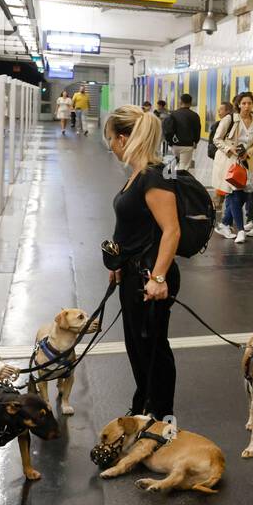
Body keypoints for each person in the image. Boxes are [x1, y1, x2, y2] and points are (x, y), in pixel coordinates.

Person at [104, 106, 182, 421]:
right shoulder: (138, 173)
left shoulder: (153, 175)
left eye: (111, 138)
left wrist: (159, 278)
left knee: (153, 349)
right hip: (134, 274)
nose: (110, 145)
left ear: (123, 138)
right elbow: (136, 227)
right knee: (137, 347)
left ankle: (161, 417)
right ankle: (143, 407)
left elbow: (171, 230)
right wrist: (118, 262)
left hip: (151, 278)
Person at [211, 91, 253, 244]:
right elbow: (217, 139)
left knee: (243, 195)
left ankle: (225, 223)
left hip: (246, 162)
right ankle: (240, 230)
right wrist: (229, 149)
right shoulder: (230, 119)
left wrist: (249, 152)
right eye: (244, 103)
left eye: (249, 103)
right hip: (229, 162)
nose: (247, 106)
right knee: (234, 194)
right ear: (239, 104)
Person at [163, 92, 202, 172]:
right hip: (187, 145)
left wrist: (170, 142)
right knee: (183, 167)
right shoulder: (195, 115)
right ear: (191, 103)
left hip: (175, 145)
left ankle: (173, 181)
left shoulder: (173, 114)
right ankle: (180, 183)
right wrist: (195, 141)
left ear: (180, 102)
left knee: (173, 166)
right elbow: (197, 130)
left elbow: (168, 130)